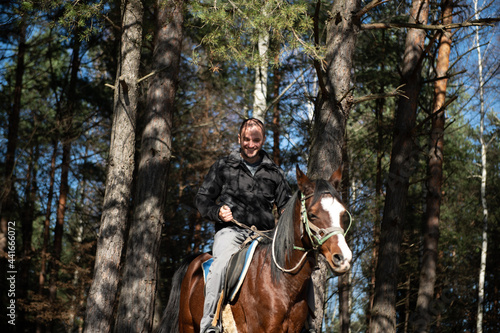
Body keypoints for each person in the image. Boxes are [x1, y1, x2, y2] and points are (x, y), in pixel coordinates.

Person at [195, 118, 292, 333]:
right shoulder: (223, 166)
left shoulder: (275, 173)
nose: (250, 144)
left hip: (266, 238)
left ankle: (309, 326)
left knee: (298, 265)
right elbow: (202, 199)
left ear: (263, 140)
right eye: (246, 139)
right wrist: (218, 212)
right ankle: (209, 324)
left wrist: (286, 215)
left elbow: (286, 206)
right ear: (239, 138)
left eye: (255, 140)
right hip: (231, 232)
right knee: (220, 265)